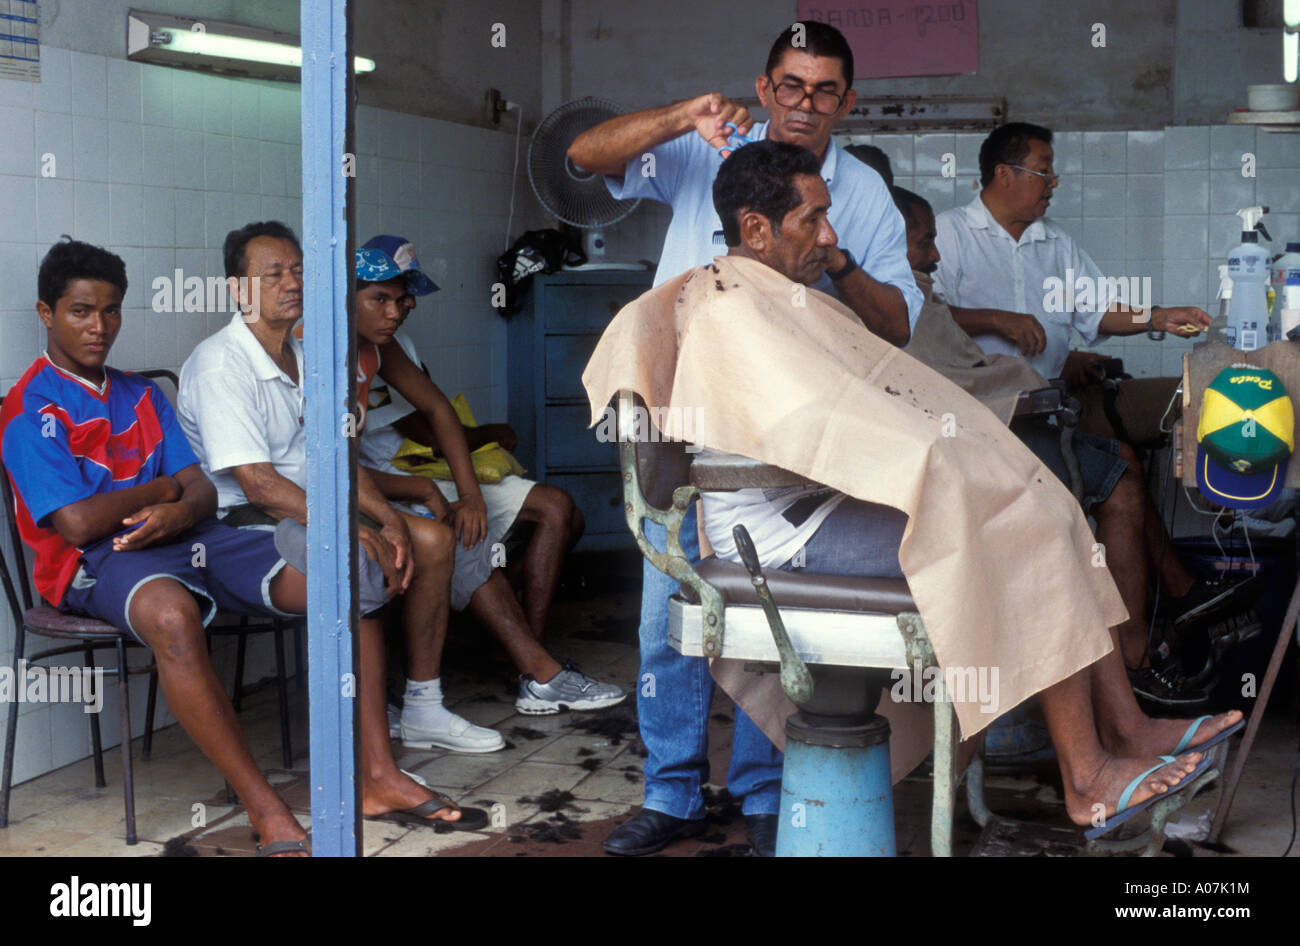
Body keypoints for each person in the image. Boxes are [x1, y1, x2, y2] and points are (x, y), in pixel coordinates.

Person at [590, 139, 1244, 838]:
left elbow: (847, 406)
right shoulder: (730, 309)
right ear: (756, 229)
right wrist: (928, 455)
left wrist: (940, 449)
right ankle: (1087, 782)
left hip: (813, 505)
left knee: (1056, 516)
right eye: (813, 220)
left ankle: (1128, 728)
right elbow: (814, 428)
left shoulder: (783, 298)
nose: (831, 237)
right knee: (1021, 536)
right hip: (778, 536)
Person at [1, 240, 483, 854]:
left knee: (348, 575)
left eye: (112, 311)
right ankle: (267, 809)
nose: (99, 327)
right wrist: (162, 487)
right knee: (172, 615)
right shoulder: (31, 405)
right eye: (80, 312)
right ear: (47, 314)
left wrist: (178, 504)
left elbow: (202, 488)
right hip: (94, 565)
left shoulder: (140, 393)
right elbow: (75, 522)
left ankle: (380, 777)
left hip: (189, 538)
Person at [568, 20, 921, 858]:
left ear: (848, 101)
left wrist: (833, 257)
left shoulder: (859, 195)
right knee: (670, 612)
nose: (805, 104)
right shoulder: (709, 148)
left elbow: (899, 323)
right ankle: (672, 791)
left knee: (772, 611)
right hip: (678, 419)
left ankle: (764, 791)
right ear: (764, 90)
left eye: (825, 90)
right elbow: (584, 157)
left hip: (787, 428)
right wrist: (679, 117)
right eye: (790, 87)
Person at [178, 223, 623, 745]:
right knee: (377, 555)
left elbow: (338, 457)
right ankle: (398, 708)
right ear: (239, 288)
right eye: (274, 274)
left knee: (434, 537)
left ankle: (424, 705)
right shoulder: (225, 362)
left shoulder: (302, 357)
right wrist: (357, 520)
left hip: (320, 500)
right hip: (252, 519)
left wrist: (390, 517)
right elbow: (258, 485)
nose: (291, 283)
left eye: (298, 271)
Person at [929, 126, 1256, 693]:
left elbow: (1099, 308)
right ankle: (1148, 639)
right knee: (1120, 471)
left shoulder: (1053, 243)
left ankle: (1178, 600)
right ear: (1003, 174)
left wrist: (1155, 317)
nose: (1052, 184)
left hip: (1056, 403)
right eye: (1043, 171)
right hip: (986, 413)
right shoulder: (952, 236)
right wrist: (993, 318)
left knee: (1153, 433)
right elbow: (921, 316)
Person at [355, 234, 585, 645]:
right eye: (387, 294)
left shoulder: (390, 342)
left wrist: (472, 493)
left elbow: (438, 411)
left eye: (405, 292)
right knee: (553, 508)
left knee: (568, 517)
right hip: (394, 475)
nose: (404, 304)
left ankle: (512, 644)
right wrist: (489, 434)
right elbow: (428, 434)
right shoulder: (366, 344)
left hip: (425, 469)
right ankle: (520, 654)